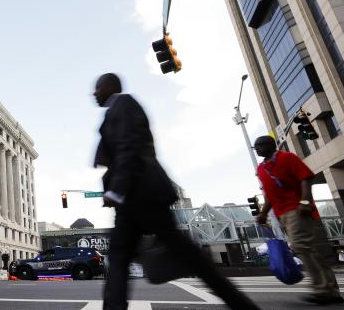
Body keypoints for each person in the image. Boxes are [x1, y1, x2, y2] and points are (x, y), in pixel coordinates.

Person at [92, 73, 259, 310]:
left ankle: (241, 304)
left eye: (97, 88)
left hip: (144, 195)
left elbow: (128, 148)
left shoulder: (125, 104)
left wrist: (116, 190)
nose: (94, 93)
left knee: (188, 256)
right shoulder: (114, 111)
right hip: (131, 202)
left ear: (109, 86)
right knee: (119, 258)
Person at [253, 135, 344, 304]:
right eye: (255, 147)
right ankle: (330, 289)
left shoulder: (287, 158)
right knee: (305, 248)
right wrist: (264, 213)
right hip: (281, 215)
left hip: (297, 209)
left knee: (301, 246)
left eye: (260, 145)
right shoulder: (261, 168)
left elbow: (305, 178)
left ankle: (324, 290)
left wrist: (305, 201)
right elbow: (270, 194)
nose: (257, 148)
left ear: (271, 145)